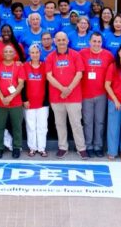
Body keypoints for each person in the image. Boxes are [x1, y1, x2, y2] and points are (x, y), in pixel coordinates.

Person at [45, 31, 89, 159]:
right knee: (59, 123)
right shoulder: (50, 57)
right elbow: (48, 76)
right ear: (55, 41)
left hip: (74, 96)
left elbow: (79, 74)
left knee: (76, 123)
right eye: (59, 40)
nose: (61, 42)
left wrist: (68, 89)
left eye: (63, 39)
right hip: (56, 97)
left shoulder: (75, 55)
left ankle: (81, 148)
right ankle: (63, 147)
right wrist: (62, 89)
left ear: (68, 41)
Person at [79, 33, 114, 157]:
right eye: (94, 41)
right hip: (86, 93)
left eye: (99, 41)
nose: (96, 44)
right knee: (88, 121)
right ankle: (88, 145)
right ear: (89, 42)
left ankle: (98, 146)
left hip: (101, 94)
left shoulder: (108, 55)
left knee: (99, 121)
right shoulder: (82, 53)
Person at [0, 45, 26, 159]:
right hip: (0, 102)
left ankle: (16, 147)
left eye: (10, 51)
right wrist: (2, 97)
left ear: (14, 54)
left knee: (17, 126)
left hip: (15, 102)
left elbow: (21, 84)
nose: (8, 53)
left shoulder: (19, 66)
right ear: (2, 54)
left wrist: (11, 97)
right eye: (6, 51)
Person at [23, 45, 49, 157]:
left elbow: (48, 84)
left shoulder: (45, 66)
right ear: (29, 54)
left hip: (42, 102)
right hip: (29, 102)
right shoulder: (24, 66)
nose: (35, 55)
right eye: (32, 52)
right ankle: (32, 148)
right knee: (31, 126)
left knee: (42, 126)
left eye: (37, 52)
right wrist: (24, 99)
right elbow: (22, 84)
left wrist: (46, 100)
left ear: (40, 53)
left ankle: (41, 148)